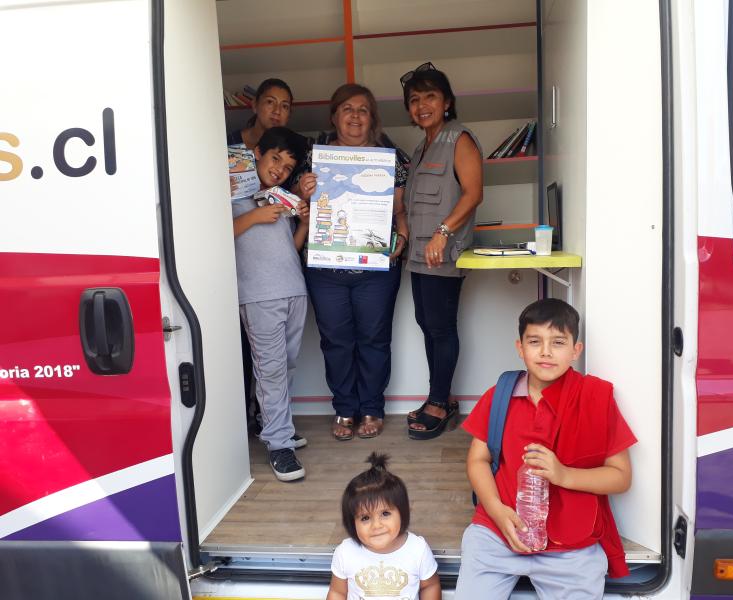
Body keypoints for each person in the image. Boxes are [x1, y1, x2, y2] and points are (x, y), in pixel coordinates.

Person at [455, 299, 637, 599]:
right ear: (520, 347)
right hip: (498, 534)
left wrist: (564, 475)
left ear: (575, 351)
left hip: (571, 546)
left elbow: (620, 477)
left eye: (558, 342)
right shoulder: (500, 396)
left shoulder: (594, 398)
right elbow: (478, 459)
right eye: (535, 341)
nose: (546, 352)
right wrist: (497, 512)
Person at [301, 84, 410, 441]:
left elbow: (399, 212)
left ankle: (371, 408)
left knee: (374, 339)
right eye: (347, 109)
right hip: (325, 271)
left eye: (363, 110)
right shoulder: (312, 159)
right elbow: (296, 207)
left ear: (372, 119)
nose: (355, 116)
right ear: (334, 116)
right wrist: (304, 189)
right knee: (335, 341)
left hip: (376, 269)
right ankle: (345, 408)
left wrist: (403, 238)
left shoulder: (390, 158)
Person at [400, 63, 484, 440]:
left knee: (441, 327)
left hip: (441, 252)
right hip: (418, 255)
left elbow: (473, 193)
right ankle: (441, 397)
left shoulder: (459, 138)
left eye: (430, 96)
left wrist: (443, 232)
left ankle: (438, 403)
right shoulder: (421, 148)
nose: (422, 105)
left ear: (447, 102)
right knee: (427, 325)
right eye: (414, 100)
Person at [231, 127, 311, 482]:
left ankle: (274, 424)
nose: (279, 168)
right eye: (275, 158)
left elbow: (288, 248)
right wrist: (253, 217)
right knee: (271, 369)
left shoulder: (278, 198)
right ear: (257, 154)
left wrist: (304, 224)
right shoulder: (233, 193)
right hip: (258, 296)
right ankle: (280, 445)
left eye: (287, 165)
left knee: (286, 365)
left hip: (294, 290)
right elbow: (213, 232)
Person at [327, 452, 441, 600]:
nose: (376, 525)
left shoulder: (417, 549)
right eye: (365, 518)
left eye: (385, 514)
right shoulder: (345, 552)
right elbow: (338, 592)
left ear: (403, 512)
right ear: (351, 521)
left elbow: (430, 586)